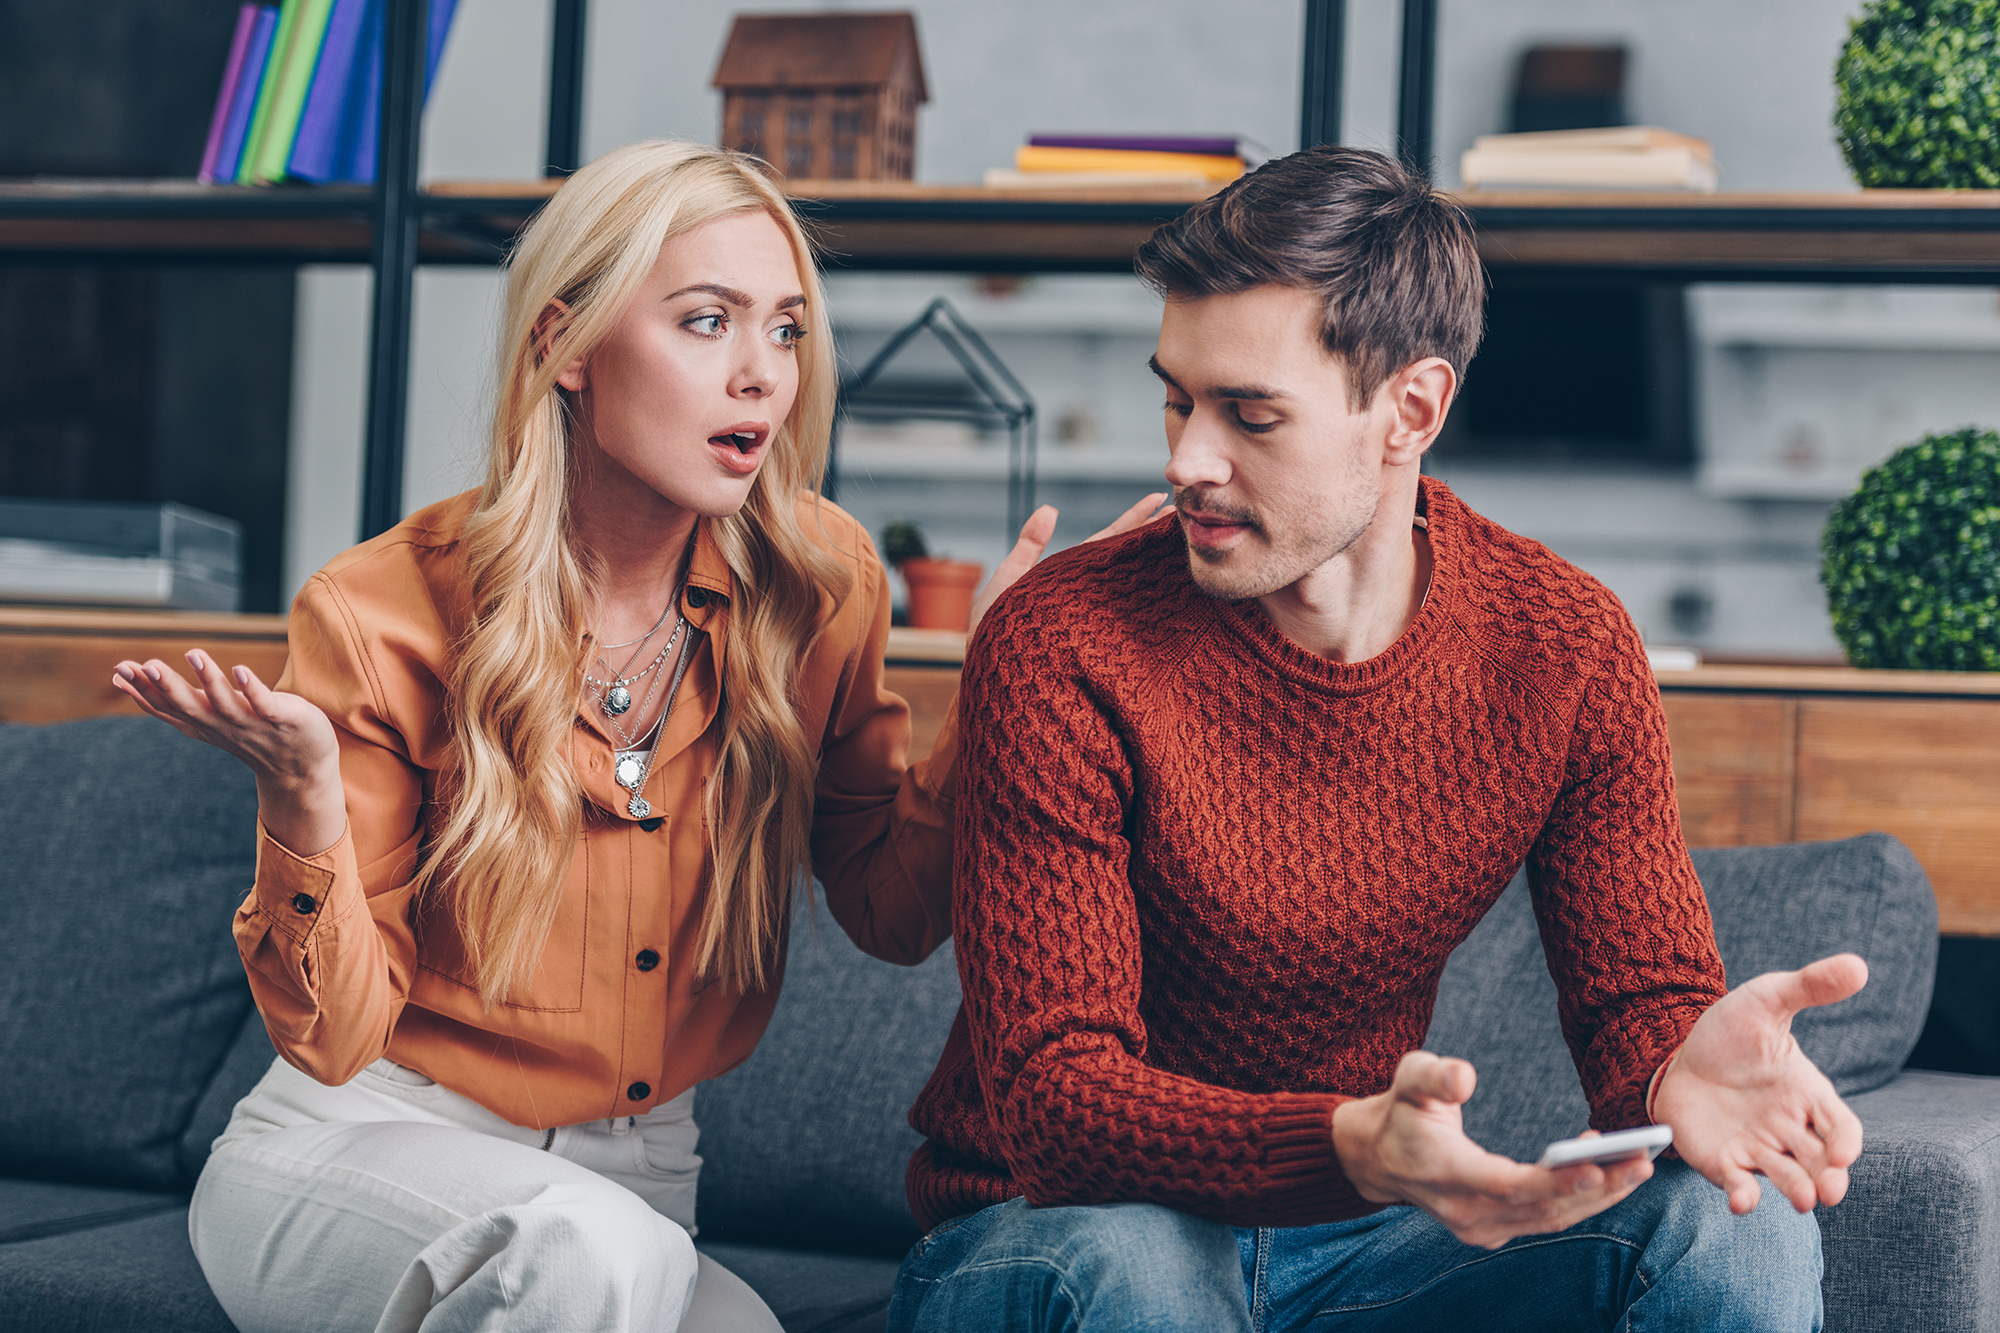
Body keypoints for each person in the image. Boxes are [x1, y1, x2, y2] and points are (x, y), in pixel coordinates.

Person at [112, 139, 1157, 1333]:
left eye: (785, 329)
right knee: (585, 1254)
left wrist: (1000, 682)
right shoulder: (384, 607)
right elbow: (339, 1037)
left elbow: (891, 909)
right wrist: (300, 803)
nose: (762, 374)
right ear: (566, 345)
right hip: (368, 1144)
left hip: (642, 1184)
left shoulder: (822, 583)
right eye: (707, 322)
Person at [888, 145, 1868, 1333]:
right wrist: (1357, 1143)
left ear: (1409, 409)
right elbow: (1058, 1100)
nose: (1187, 459)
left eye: (1249, 415)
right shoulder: (1063, 638)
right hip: (1055, 1228)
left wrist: (1672, 1068)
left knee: (1735, 1222)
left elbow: (1638, 1000)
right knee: (1142, 1279)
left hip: (1357, 1245)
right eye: (1176, 397)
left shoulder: (1563, 647)